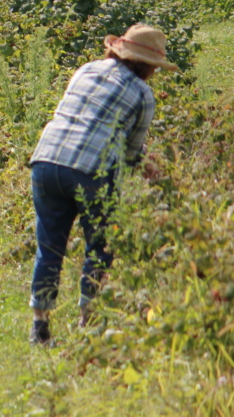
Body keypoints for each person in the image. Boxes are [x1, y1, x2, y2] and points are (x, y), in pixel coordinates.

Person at [27, 24, 178, 346]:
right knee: (100, 246)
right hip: (90, 171)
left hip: (46, 160)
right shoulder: (142, 94)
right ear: (149, 66)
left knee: (50, 247)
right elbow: (131, 153)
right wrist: (153, 173)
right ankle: (87, 322)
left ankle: (40, 327)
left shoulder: (87, 69)